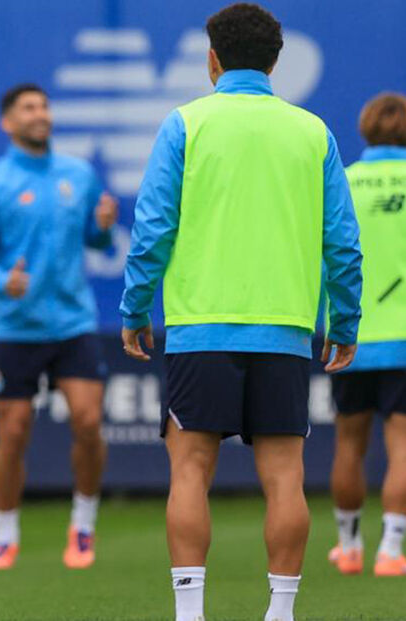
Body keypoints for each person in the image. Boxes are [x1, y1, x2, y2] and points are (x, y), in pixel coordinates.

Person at [119, 4, 362, 621]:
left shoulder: (186, 123)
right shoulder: (313, 132)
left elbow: (152, 230)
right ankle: (279, 615)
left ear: (212, 58)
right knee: (285, 475)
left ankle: (190, 615)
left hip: (201, 327)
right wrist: (345, 321)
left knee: (190, 470)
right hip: (283, 330)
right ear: (276, 61)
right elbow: (342, 241)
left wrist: (134, 308)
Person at [0, 83, 118, 571]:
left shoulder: (78, 174)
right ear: (8, 122)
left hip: (74, 322)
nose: (41, 114)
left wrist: (105, 224)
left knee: (89, 422)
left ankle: (84, 525)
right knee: (13, 433)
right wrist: (0, 280)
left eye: (45, 106)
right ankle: (5, 535)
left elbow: (96, 239)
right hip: (16, 327)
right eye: (29, 108)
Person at [328, 92, 406, 577]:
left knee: (348, 447)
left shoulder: (344, 182)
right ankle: (392, 551)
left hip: (350, 334)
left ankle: (349, 547)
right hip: (403, 337)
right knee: (402, 448)